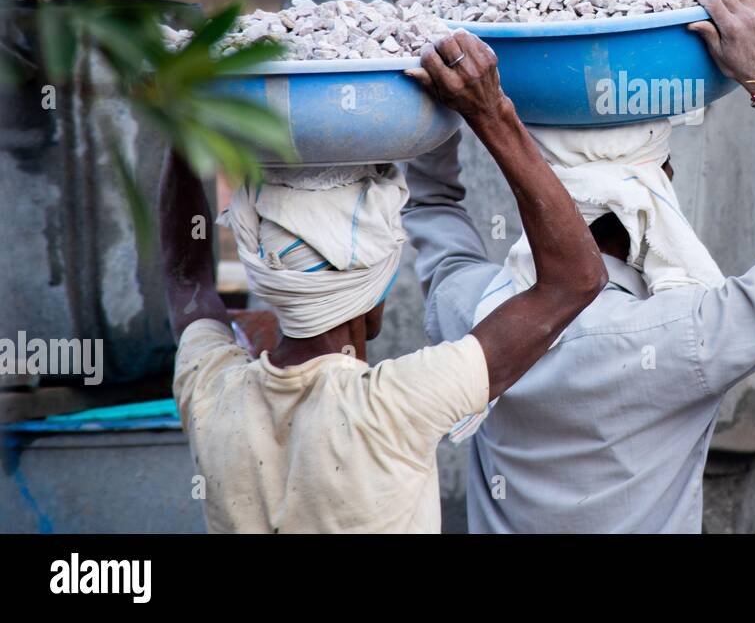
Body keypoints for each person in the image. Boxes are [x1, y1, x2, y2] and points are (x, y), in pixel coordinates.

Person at [403, 0, 755, 532]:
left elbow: (431, 204)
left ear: (529, 193)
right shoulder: (688, 337)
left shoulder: (473, 316)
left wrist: (430, 60)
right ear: (661, 184)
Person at [164, 32, 606, 533]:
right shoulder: (389, 408)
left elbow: (186, 282)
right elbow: (576, 279)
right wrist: (490, 113)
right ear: (371, 303)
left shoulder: (213, 392)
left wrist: (179, 127)